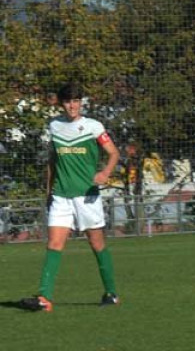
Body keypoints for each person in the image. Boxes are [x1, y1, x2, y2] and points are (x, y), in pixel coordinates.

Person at [20, 82, 121, 312]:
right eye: (68, 101)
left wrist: (105, 172)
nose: (72, 106)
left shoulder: (93, 127)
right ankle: (44, 297)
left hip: (87, 197)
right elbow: (52, 161)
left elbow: (114, 153)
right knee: (54, 244)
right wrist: (48, 191)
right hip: (61, 197)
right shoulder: (54, 126)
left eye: (76, 101)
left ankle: (111, 293)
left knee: (97, 244)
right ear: (61, 103)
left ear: (81, 103)